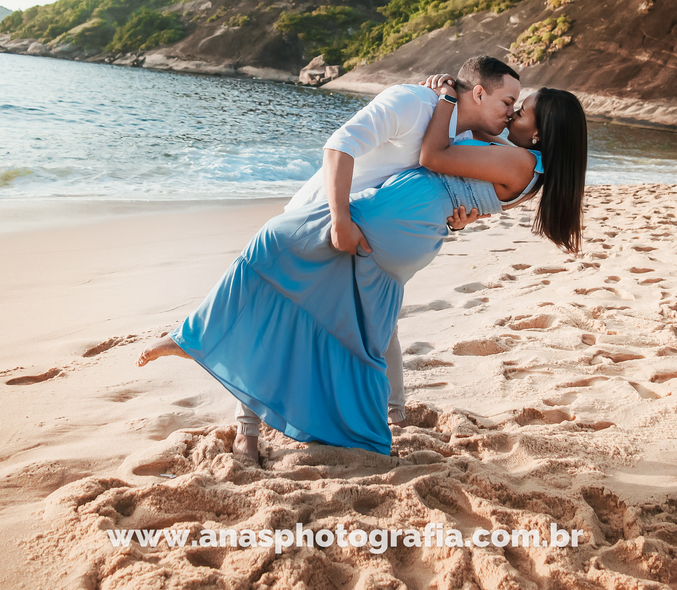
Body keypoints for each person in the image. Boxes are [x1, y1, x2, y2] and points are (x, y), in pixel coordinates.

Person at [137, 76, 588, 460]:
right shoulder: (529, 166)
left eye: (522, 111)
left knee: (271, 245)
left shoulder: (519, 159)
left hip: (389, 223)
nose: (513, 116)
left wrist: (448, 99)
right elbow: (466, 155)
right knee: (364, 331)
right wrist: (449, 104)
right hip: (409, 234)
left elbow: (434, 156)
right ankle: (369, 430)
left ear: (540, 131)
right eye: (512, 105)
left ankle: (194, 338)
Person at [286, 56, 523, 432]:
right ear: (478, 93)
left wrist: (457, 222)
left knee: (383, 323)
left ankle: (395, 415)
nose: (512, 114)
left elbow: (439, 191)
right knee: (290, 323)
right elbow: (339, 146)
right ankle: (248, 428)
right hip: (319, 221)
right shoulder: (412, 103)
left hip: (372, 240)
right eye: (508, 103)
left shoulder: (459, 137)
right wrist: (340, 222)